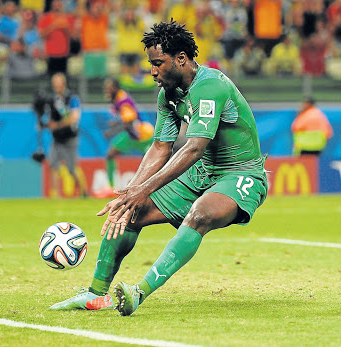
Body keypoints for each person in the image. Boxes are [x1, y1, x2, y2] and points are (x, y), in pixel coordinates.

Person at [50, 21, 268, 316]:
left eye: (158, 63)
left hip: (240, 173)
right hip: (204, 172)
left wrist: (145, 188)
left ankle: (139, 292)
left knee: (200, 214)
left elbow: (193, 147)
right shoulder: (168, 94)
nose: (152, 71)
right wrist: (131, 194)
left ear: (180, 59)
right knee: (131, 211)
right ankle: (95, 294)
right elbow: (160, 147)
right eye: (150, 64)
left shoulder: (210, 86)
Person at [93, 77, 154, 199]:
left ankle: (154, 189)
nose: (107, 90)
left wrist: (112, 131)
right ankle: (110, 188)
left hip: (142, 135)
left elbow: (129, 122)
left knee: (150, 163)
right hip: (131, 135)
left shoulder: (122, 101)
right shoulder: (117, 99)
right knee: (110, 154)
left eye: (109, 88)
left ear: (115, 88)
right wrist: (116, 123)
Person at [45, 73, 88, 197]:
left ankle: (84, 191)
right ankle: (55, 194)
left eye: (59, 82)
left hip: (69, 137)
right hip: (57, 138)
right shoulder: (53, 99)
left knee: (71, 168)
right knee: (53, 164)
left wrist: (57, 125)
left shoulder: (72, 98)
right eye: (55, 82)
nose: (57, 85)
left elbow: (74, 118)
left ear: (63, 83)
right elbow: (49, 118)